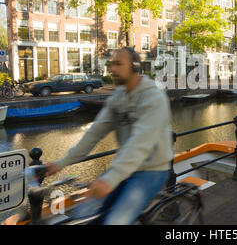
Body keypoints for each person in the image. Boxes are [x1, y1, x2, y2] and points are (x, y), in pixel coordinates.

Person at [46, 47, 174, 225]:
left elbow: (141, 143)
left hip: (152, 169)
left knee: (115, 221)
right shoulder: (118, 98)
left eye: (118, 64)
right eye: (111, 64)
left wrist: (110, 180)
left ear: (135, 67)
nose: (112, 69)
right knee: (84, 213)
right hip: (125, 167)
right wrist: (62, 163)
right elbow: (94, 133)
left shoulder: (154, 98)